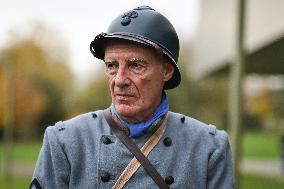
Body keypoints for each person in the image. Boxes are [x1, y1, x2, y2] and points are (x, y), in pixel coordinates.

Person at [30, 5, 234, 189]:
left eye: (136, 65)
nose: (119, 80)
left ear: (166, 71)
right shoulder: (63, 141)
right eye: (111, 65)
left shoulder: (210, 148)